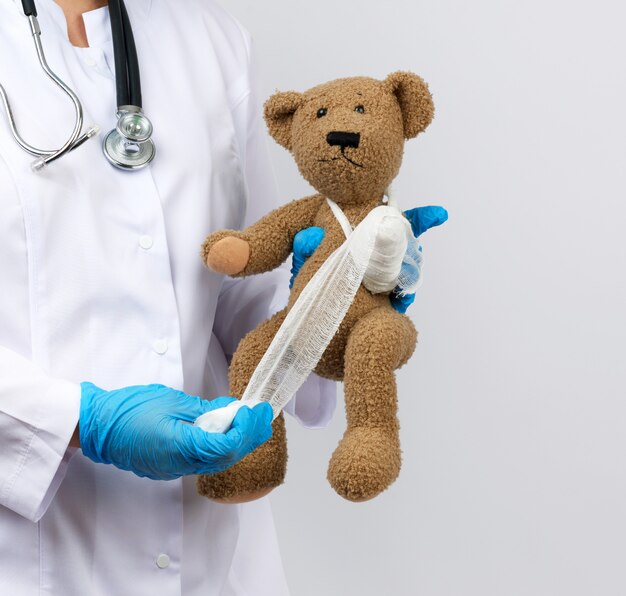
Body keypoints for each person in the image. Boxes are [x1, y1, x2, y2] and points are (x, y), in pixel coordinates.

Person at [0, 0, 335, 594]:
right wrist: (79, 421)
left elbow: (247, 308)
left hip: (208, 565)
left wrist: (332, 302)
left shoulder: (212, 42)